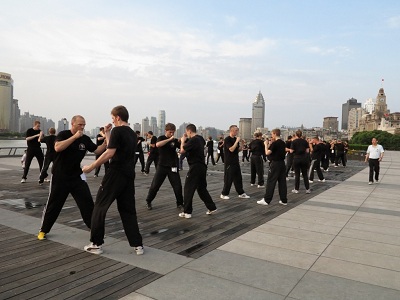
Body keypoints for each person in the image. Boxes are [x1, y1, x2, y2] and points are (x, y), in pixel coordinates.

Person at [82, 105, 144, 255]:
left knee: (100, 206)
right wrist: (108, 132)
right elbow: (114, 146)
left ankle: (96, 243)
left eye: (112, 118)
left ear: (117, 117)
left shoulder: (118, 130)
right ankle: (137, 245)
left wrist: (92, 166)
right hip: (128, 175)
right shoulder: (132, 134)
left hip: (115, 173)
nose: (112, 121)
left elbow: (109, 153)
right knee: (128, 210)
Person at [37, 115, 107, 241]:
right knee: (54, 204)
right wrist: (74, 137)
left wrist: (107, 139)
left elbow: (97, 150)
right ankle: (43, 230)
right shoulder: (63, 134)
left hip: (76, 176)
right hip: (60, 176)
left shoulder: (85, 139)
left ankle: (94, 229)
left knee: (87, 203)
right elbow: (57, 147)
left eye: (84, 125)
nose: (82, 127)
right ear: (72, 123)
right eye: (80, 124)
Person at [179, 124, 217, 218]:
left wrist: (183, 141)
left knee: (188, 189)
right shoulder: (200, 139)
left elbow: (182, 151)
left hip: (195, 167)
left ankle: (187, 212)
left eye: (187, 132)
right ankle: (211, 207)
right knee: (201, 188)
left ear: (189, 131)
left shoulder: (193, 140)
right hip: (202, 166)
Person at [145, 123, 184, 210]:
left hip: (172, 166)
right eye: (170, 132)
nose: (172, 134)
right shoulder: (161, 138)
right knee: (155, 185)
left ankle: (180, 203)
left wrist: (182, 141)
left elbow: (182, 150)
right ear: (166, 131)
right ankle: (149, 201)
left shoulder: (174, 140)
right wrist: (169, 139)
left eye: (173, 132)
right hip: (162, 165)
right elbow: (157, 145)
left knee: (177, 185)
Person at [257, 129, 288, 206]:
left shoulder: (275, 143)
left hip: (275, 164)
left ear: (274, 134)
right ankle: (283, 200)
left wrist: (265, 145)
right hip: (282, 163)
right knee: (282, 182)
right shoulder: (283, 143)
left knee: (271, 181)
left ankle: (267, 200)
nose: (271, 136)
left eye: (272, 134)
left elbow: (267, 153)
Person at [220, 125, 250, 200]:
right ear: (232, 131)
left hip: (235, 161)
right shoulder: (227, 139)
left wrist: (242, 145)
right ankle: (224, 194)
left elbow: (237, 150)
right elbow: (231, 149)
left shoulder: (235, 139)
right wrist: (237, 141)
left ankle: (241, 193)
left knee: (238, 178)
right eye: (236, 130)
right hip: (229, 162)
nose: (237, 132)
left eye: (237, 130)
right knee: (228, 178)